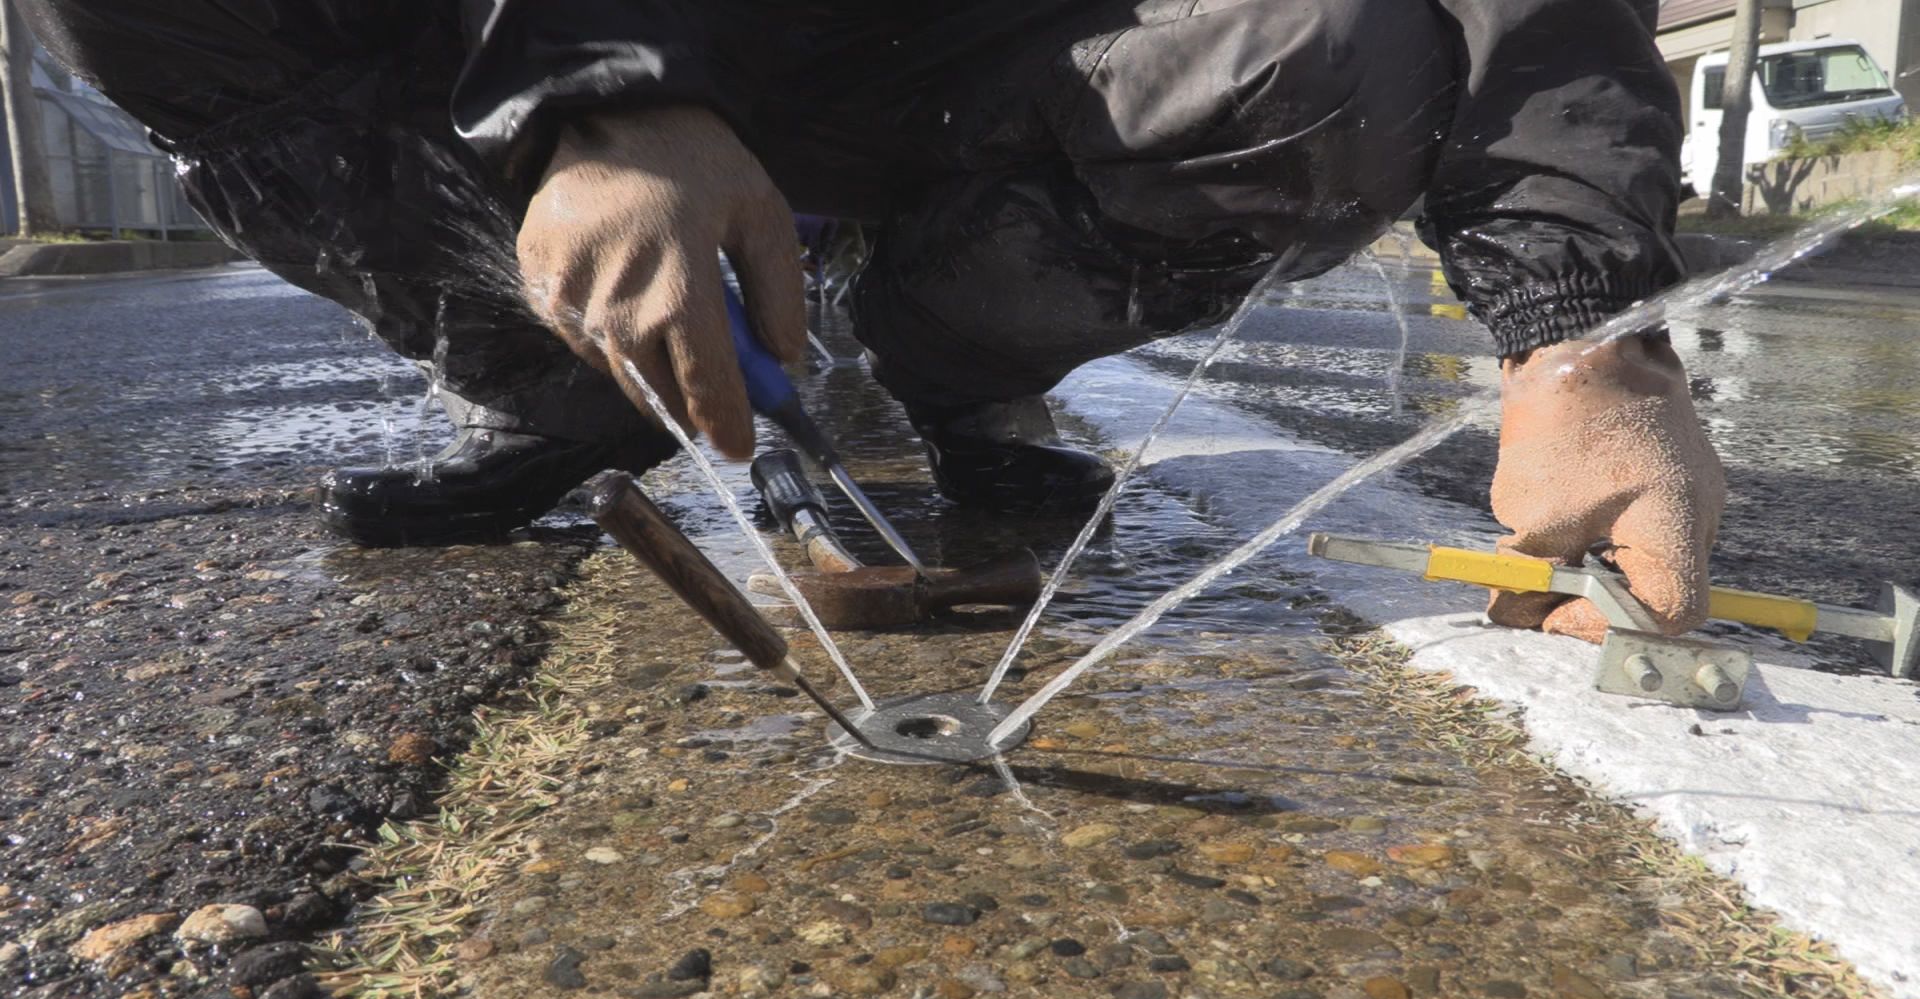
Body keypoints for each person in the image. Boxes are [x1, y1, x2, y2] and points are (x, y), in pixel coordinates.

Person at [21, 0, 1723, 642]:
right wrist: (601, 95)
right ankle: (568, 366)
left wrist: (1583, 336)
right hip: (585, 48)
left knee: (1355, 50)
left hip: (985, 80)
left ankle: (947, 356)